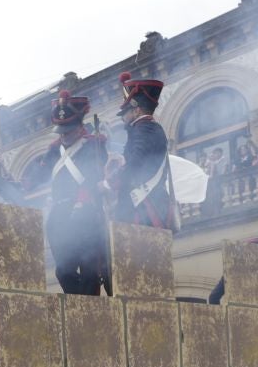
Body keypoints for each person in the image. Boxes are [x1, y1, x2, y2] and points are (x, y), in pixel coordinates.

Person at [21, 90, 114, 295]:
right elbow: (40, 173)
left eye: (68, 130)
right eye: (61, 131)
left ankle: (88, 312)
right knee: (63, 271)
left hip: (87, 216)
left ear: (80, 126)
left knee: (90, 272)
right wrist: (20, 184)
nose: (64, 135)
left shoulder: (95, 145)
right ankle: (78, 306)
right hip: (60, 218)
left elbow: (101, 176)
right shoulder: (55, 149)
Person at [112, 75, 175, 233]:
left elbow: (136, 161)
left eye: (126, 112)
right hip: (149, 204)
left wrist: (111, 181)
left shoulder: (143, 128)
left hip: (145, 207)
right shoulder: (148, 128)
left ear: (137, 110)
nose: (123, 117)